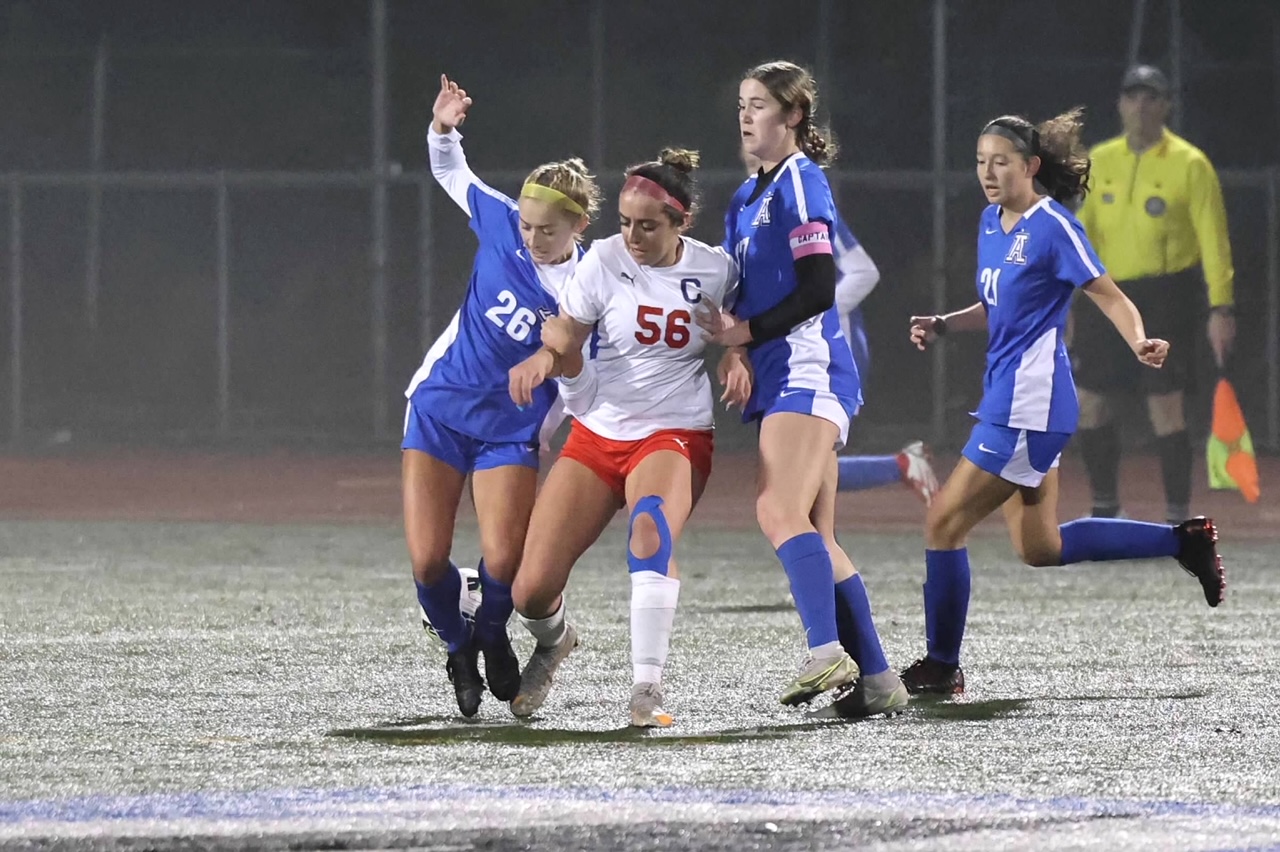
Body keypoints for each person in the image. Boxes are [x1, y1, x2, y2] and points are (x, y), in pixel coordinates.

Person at [899, 109, 1226, 696]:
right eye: (980, 161)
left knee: (943, 523)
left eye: (1001, 161)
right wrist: (944, 324)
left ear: (1030, 166)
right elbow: (997, 308)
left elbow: (1108, 293)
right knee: (1040, 548)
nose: (988, 172)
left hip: (1029, 405)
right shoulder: (989, 223)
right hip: (1012, 399)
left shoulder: (1052, 224)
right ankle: (1184, 539)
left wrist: (1139, 341)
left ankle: (942, 666)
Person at [504, 148, 745, 727]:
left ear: (680, 223)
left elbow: (742, 324)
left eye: (649, 226)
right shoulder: (604, 260)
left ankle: (646, 689)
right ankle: (557, 639)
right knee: (529, 592)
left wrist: (737, 353)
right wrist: (545, 354)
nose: (633, 235)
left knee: (649, 529)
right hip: (598, 429)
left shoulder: (718, 269)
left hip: (675, 430)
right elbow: (568, 328)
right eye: (626, 223)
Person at [697, 60, 908, 717]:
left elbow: (820, 287)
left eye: (760, 104)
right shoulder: (744, 199)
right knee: (817, 532)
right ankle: (878, 680)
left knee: (775, 510)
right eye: (742, 102)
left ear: (792, 117)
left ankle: (825, 650)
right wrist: (736, 350)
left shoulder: (801, 181)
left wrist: (748, 333)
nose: (746, 114)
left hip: (810, 366)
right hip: (779, 369)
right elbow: (738, 297)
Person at [402, 74, 600, 717]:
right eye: (526, 222)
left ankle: (490, 631)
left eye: (547, 229)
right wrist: (443, 125)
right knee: (428, 559)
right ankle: (459, 647)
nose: (530, 236)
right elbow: (449, 169)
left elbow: (589, 377)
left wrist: (558, 361)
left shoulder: (592, 285)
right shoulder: (501, 223)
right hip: (439, 408)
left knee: (505, 566)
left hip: (510, 430)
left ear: (579, 226)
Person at [1073, 65, 1236, 524]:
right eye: (1132, 97)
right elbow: (1081, 235)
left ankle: (1177, 516)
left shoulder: (1189, 164)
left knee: (1165, 404)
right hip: (1106, 293)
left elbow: (1213, 239)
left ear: (1166, 106)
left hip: (1166, 294)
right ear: (1120, 105)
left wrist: (1221, 306)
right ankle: (1105, 507)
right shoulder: (1100, 160)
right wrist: (1069, 296)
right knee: (1092, 401)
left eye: (1151, 97)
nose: (1140, 106)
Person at [739, 149, 939, 505]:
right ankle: (902, 466)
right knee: (799, 473)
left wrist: (809, 313)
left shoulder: (808, 211)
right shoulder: (761, 215)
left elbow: (865, 271)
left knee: (795, 473)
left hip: (833, 353)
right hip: (797, 355)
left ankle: (901, 466)